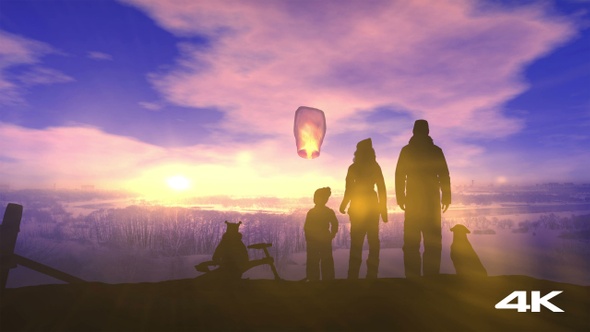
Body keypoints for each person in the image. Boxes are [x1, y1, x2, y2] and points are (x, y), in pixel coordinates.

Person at [395, 120, 451, 277]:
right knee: (432, 243)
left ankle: (413, 279)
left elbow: (399, 175)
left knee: (412, 243)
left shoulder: (407, 151)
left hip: (414, 201)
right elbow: (444, 175)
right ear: (427, 131)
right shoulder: (435, 151)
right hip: (430, 202)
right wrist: (446, 197)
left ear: (413, 131)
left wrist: (401, 197)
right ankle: (431, 278)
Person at [339, 138, 388, 279]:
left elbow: (349, 189)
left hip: (358, 206)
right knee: (373, 242)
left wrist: (344, 204)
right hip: (371, 206)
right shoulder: (375, 166)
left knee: (357, 243)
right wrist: (383, 211)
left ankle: (352, 277)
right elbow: (382, 189)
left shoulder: (353, 167)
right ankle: (372, 275)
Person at [304, 187, 339, 281]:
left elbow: (335, 224)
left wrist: (331, 235)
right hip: (320, 241)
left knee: (319, 262)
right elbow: (307, 228)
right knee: (321, 262)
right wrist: (331, 235)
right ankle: (322, 282)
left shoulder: (313, 212)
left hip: (320, 241)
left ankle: (318, 281)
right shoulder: (326, 212)